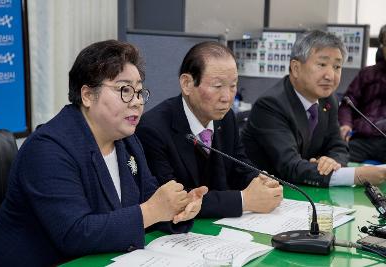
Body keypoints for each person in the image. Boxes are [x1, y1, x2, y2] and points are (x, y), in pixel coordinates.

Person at [0, 40, 207, 266]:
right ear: (88, 95)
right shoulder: (47, 149)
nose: (137, 102)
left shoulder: (128, 142)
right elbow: (74, 233)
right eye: (125, 90)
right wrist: (151, 211)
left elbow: (150, 199)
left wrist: (178, 209)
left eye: (140, 92)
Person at [136, 41, 283, 218]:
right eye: (218, 86)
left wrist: (260, 181)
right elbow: (174, 200)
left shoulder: (226, 118)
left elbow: (239, 164)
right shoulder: (153, 129)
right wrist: (244, 200)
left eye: (233, 85)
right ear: (187, 83)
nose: (227, 97)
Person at [242, 30, 386, 187]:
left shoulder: (327, 99)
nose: (330, 75)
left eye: (337, 66)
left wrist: (332, 162)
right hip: (266, 194)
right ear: (296, 68)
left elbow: (338, 146)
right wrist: (354, 176)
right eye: (322, 64)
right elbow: (290, 166)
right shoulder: (271, 105)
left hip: (303, 191)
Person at [338, 24, 386, 163]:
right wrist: (345, 124)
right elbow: (348, 103)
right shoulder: (367, 74)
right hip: (363, 139)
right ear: (382, 47)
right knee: (338, 158)